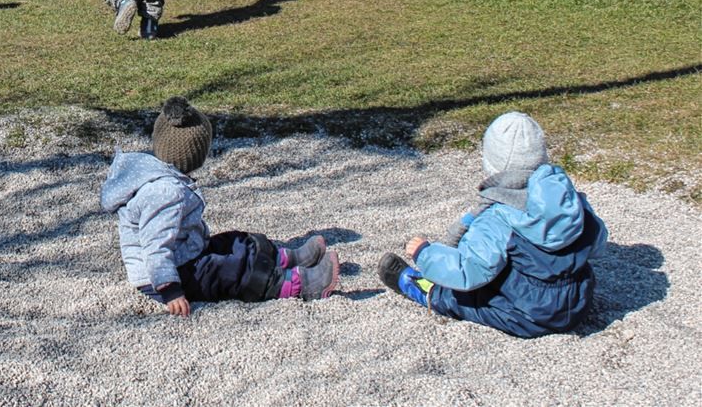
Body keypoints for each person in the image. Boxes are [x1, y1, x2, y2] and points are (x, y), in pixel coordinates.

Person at [100, 97, 340, 316]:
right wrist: (170, 290)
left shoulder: (157, 173)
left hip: (185, 253)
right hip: (165, 275)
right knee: (228, 270)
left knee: (234, 241)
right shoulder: (165, 192)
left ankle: (285, 258)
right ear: (196, 156)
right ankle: (298, 283)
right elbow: (155, 246)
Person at [378, 112, 608, 338]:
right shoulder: (569, 201)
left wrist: (425, 253)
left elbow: (468, 271)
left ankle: (424, 290)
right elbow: (598, 244)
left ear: (493, 165)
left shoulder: (497, 218)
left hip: (529, 316)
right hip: (578, 302)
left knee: (463, 297)